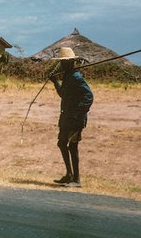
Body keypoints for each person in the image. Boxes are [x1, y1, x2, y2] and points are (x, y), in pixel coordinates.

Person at [49, 47, 94, 187]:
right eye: (61, 62)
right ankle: (68, 175)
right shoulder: (68, 76)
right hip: (66, 117)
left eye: (64, 62)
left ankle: (76, 179)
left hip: (75, 118)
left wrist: (78, 112)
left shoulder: (76, 77)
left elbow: (89, 96)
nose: (62, 65)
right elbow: (63, 94)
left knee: (73, 146)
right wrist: (55, 81)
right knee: (62, 143)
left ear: (70, 62)